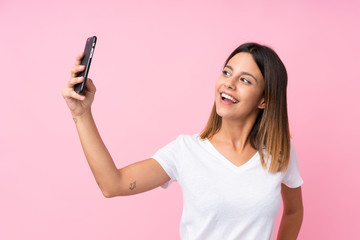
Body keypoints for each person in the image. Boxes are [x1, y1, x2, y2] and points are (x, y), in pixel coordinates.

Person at [62, 42, 304, 240]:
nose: (229, 83)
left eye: (245, 80)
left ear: (264, 100)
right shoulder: (186, 151)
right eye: (227, 72)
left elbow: (294, 212)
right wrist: (81, 114)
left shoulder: (280, 152)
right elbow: (113, 184)